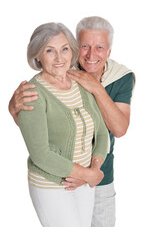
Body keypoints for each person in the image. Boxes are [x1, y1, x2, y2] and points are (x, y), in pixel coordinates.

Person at [9, 16, 135, 227]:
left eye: (100, 47)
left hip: (97, 176)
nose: (91, 54)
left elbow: (112, 130)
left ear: (109, 52)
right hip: (57, 182)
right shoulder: (46, 85)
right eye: (84, 46)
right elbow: (39, 147)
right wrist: (13, 106)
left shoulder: (106, 79)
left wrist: (92, 171)